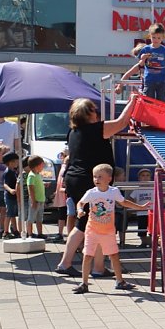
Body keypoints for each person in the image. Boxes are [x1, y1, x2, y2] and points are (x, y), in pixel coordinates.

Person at [54, 95, 136, 277]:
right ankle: (65, 263)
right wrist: (133, 101)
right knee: (85, 224)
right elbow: (122, 121)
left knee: (98, 223)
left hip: (75, 179)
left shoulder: (74, 132)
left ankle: (98, 267)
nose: (97, 113)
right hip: (87, 180)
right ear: (89, 114)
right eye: (94, 110)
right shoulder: (96, 129)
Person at [72, 164, 149, 295]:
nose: (96, 179)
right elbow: (81, 202)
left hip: (108, 231)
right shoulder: (91, 193)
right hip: (92, 230)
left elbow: (123, 202)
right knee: (87, 255)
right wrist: (79, 210)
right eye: (94, 176)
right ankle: (84, 283)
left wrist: (140, 207)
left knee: (113, 255)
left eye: (100, 176)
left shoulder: (113, 191)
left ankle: (120, 281)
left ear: (109, 178)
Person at [113, 23, 165, 102]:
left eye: (158, 38)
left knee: (160, 100)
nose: (156, 40)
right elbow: (127, 74)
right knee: (147, 100)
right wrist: (120, 86)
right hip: (147, 85)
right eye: (154, 37)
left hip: (159, 82)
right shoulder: (141, 65)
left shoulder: (163, 53)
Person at [130, 168, 154, 248]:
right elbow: (131, 198)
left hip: (152, 212)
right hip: (141, 212)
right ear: (139, 178)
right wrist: (134, 207)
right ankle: (143, 243)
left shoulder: (153, 188)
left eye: (147, 175)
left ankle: (152, 243)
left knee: (153, 229)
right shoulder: (137, 189)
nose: (145, 177)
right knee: (141, 229)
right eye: (143, 176)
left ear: (151, 178)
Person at [25, 155, 46, 240]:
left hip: (41, 200)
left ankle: (40, 233)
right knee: (31, 218)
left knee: (39, 218)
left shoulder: (38, 175)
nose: (43, 167)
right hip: (35, 201)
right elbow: (31, 188)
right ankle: (29, 233)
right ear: (37, 165)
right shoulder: (31, 176)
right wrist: (33, 201)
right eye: (42, 165)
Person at [51, 148, 69, 243]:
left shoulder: (66, 167)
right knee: (62, 214)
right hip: (63, 194)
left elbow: (63, 180)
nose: (62, 157)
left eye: (64, 155)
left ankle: (64, 234)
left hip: (65, 195)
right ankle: (60, 233)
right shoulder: (63, 166)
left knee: (67, 215)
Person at [1, 152, 21, 239]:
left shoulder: (14, 172)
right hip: (9, 196)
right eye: (16, 162)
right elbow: (4, 184)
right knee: (9, 214)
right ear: (10, 162)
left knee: (13, 214)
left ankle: (15, 229)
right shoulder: (7, 172)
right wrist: (10, 190)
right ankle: (5, 232)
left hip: (14, 196)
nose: (17, 164)